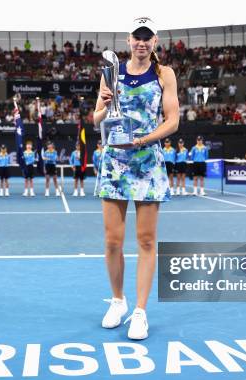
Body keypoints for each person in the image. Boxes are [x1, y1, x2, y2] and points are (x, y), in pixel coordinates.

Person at [93, 17, 179, 340]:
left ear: (155, 41)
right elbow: (96, 118)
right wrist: (102, 105)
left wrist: (143, 140)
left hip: (147, 162)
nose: (142, 43)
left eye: (148, 37)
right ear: (128, 40)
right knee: (112, 241)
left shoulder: (164, 75)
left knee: (145, 240)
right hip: (115, 161)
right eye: (137, 37)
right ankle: (118, 302)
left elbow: (173, 121)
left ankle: (140, 312)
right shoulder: (110, 73)